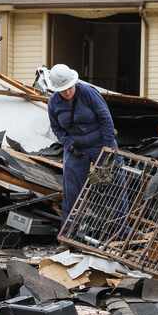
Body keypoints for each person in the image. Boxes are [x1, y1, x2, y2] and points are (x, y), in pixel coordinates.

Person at [46, 64, 117, 221]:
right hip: (76, 148)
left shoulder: (88, 93)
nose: (67, 92)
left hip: (100, 143)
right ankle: (69, 230)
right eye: (63, 90)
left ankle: (121, 229)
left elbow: (106, 119)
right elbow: (56, 128)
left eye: (69, 88)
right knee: (71, 190)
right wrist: (68, 143)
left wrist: (107, 149)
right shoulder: (53, 103)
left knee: (115, 187)